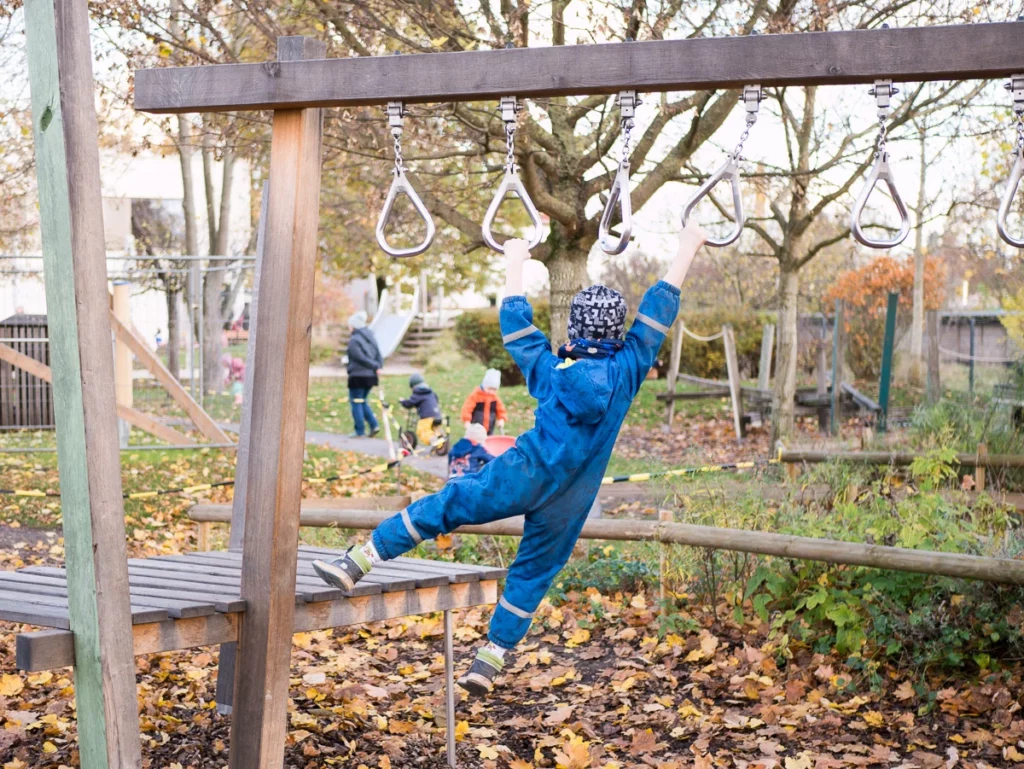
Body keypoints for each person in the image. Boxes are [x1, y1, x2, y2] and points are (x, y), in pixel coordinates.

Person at [313, 223, 706, 696]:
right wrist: (687, 246)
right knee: (535, 569)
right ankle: (491, 657)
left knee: (453, 501)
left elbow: (517, 327)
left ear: (575, 328)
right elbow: (657, 313)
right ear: (617, 332)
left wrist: (516, 257)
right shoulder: (627, 372)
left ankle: (362, 557)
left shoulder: (552, 368)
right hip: (574, 496)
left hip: (525, 471)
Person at [346, 311, 383, 438]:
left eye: (349, 325)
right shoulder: (371, 337)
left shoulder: (354, 340)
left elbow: (360, 357)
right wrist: (378, 366)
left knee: (356, 402)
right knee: (363, 401)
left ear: (354, 326)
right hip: (371, 376)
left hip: (358, 376)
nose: (348, 328)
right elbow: (378, 354)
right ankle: (374, 425)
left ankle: (359, 430)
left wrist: (374, 365)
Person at [400, 372, 442, 447]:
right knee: (434, 429)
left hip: (427, 417)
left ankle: (432, 439)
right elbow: (436, 398)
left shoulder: (418, 393)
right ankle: (440, 441)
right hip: (437, 415)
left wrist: (402, 401)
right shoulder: (430, 391)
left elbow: (409, 403)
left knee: (422, 431)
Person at [461, 368, 507, 435]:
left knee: (489, 443)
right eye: (489, 389)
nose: (491, 392)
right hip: (476, 428)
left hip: (490, 428)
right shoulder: (475, 396)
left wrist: (501, 419)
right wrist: (467, 420)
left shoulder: (495, 398)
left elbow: (501, 410)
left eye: (494, 390)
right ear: (484, 385)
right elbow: (467, 408)